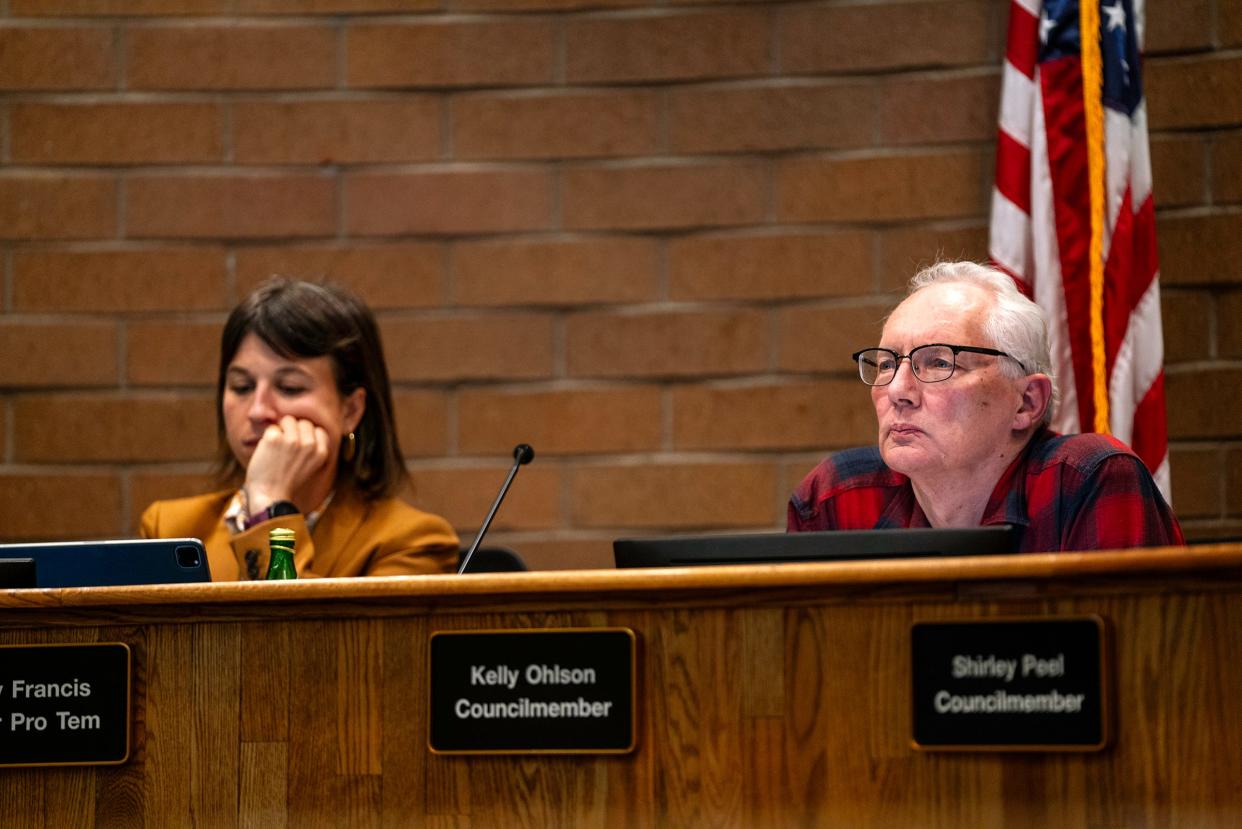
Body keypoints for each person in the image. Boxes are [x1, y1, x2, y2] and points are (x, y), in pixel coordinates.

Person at [788, 261, 1183, 552]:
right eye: (888, 364)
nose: (898, 390)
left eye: (939, 363)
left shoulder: (1089, 480)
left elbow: (1136, 659)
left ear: (1026, 402)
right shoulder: (834, 497)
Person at [141, 278, 459, 579]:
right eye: (241, 386)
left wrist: (269, 507)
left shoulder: (413, 542)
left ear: (350, 410)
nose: (258, 410)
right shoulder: (169, 530)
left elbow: (300, 636)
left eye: (290, 388)